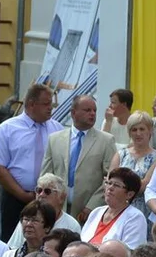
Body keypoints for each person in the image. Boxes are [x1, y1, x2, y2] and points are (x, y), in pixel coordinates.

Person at [0, 84, 63, 240]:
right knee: (13, 240)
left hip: (48, 199)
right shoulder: (8, 128)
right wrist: (23, 195)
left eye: (51, 104)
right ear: (32, 104)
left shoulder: (57, 129)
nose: (50, 108)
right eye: (46, 104)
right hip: (16, 198)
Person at [42, 95, 117, 223]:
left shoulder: (106, 141)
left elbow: (111, 178)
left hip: (88, 212)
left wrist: (91, 207)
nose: (92, 114)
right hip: (57, 210)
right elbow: (45, 175)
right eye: (87, 110)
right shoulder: (54, 139)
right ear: (73, 112)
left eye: (94, 110)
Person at [80, 167, 148, 249]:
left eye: (116, 185)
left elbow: (131, 251)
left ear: (129, 194)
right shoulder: (96, 212)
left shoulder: (135, 217)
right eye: (109, 183)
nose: (110, 188)